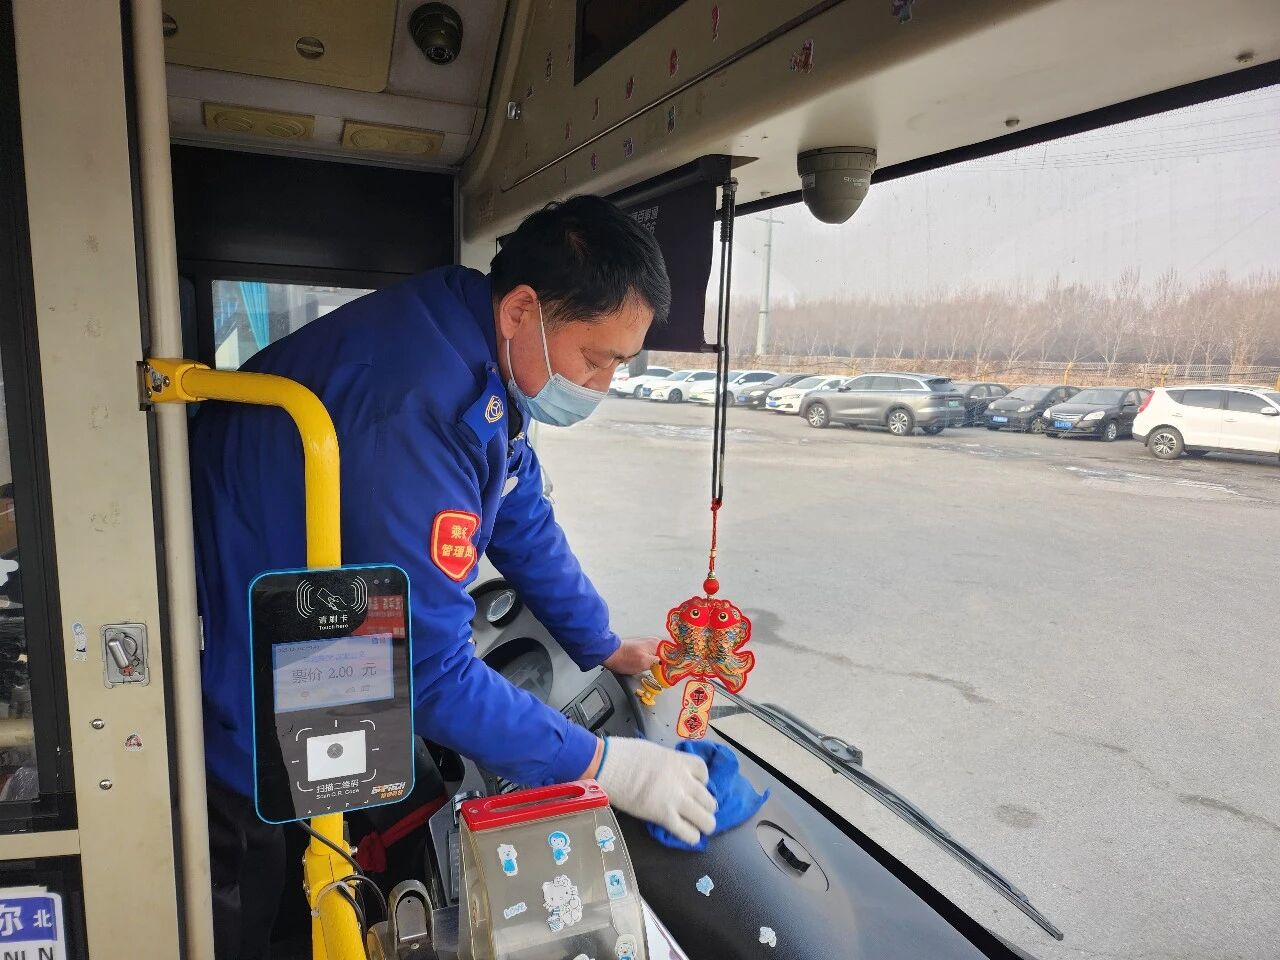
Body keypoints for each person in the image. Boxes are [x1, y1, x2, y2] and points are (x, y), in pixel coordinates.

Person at [189, 195, 717, 959]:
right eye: (595, 358)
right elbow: (424, 673)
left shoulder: (467, 339)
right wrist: (607, 766)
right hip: (233, 710)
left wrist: (599, 643)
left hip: (294, 652)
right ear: (523, 310)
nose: (601, 385)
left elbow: (518, 508)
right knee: (249, 910)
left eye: (619, 365)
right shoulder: (413, 410)